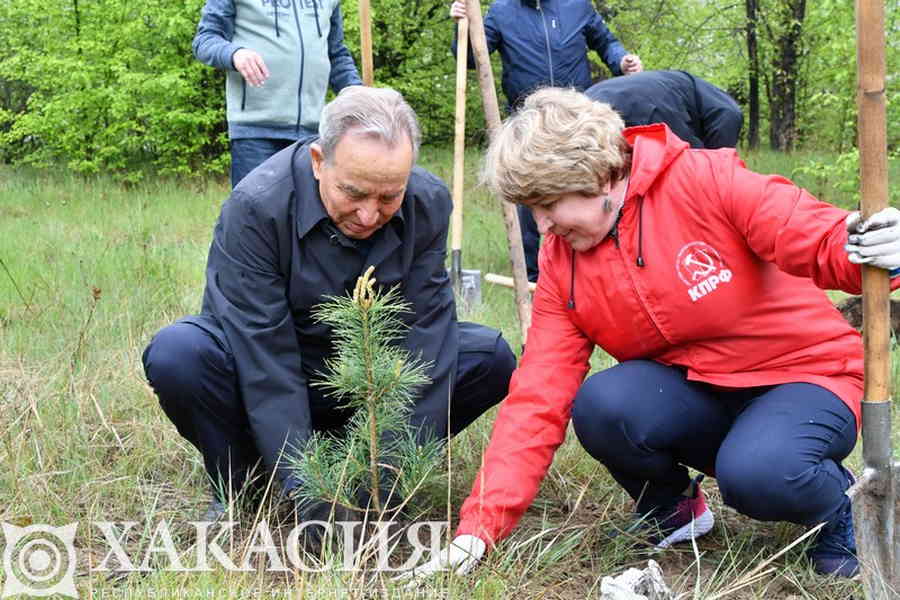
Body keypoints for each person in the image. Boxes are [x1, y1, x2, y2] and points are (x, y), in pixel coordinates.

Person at [402, 88, 900, 581]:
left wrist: (868, 242)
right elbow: (537, 395)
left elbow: (814, 237)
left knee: (758, 474)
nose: (543, 225)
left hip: (805, 378)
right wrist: (478, 530)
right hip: (698, 392)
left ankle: (842, 512)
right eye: (531, 209)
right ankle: (674, 511)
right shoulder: (562, 261)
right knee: (602, 402)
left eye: (548, 203)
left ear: (599, 177)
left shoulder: (705, 181)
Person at [142, 87, 516, 522]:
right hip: (274, 374)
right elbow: (265, 358)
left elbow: (426, 340)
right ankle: (245, 481)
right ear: (320, 162)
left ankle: (363, 466)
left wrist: (383, 481)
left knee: (490, 358)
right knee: (180, 354)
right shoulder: (257, 208)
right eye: (354, 193)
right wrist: (313, 494)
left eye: (389, 197)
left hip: (367, 384)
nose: (369, 215)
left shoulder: (428, 202)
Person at [518, 70, 744, 281]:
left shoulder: (699, 103)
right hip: (623, 113)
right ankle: (534, 273)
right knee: (544, 185)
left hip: (612, 108)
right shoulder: (718, 117)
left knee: (547, 187)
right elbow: (697, 175)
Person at [192, 0, 362, 188]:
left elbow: (336, 54)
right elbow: (205, 40)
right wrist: (235, 54)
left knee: (309, 214)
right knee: (255, 214)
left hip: (313, 134)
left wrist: (356, 93)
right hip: (255, 132)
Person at [449, 0, 643, 114]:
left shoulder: (578, 5)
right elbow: (471, 59)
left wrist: (621, 61)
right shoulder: (501, 10)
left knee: (580, 180)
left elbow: (607, 43)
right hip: (526, 119)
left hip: (577, 114)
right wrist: (462, 27)